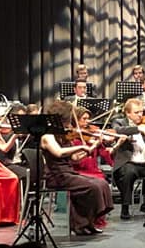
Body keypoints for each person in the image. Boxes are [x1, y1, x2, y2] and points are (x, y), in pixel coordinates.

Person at [40, 100, 112, 235]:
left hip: (68, 172)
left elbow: (74, 158)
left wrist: (91, 148)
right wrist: (80, 146)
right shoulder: (47, 136)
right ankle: (80, 224)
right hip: (56, 176)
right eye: (68, 121)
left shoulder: (63, 135)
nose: (70, 124)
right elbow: (58, 152)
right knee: (92, 187)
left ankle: (88, 222)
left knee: (101, 183)